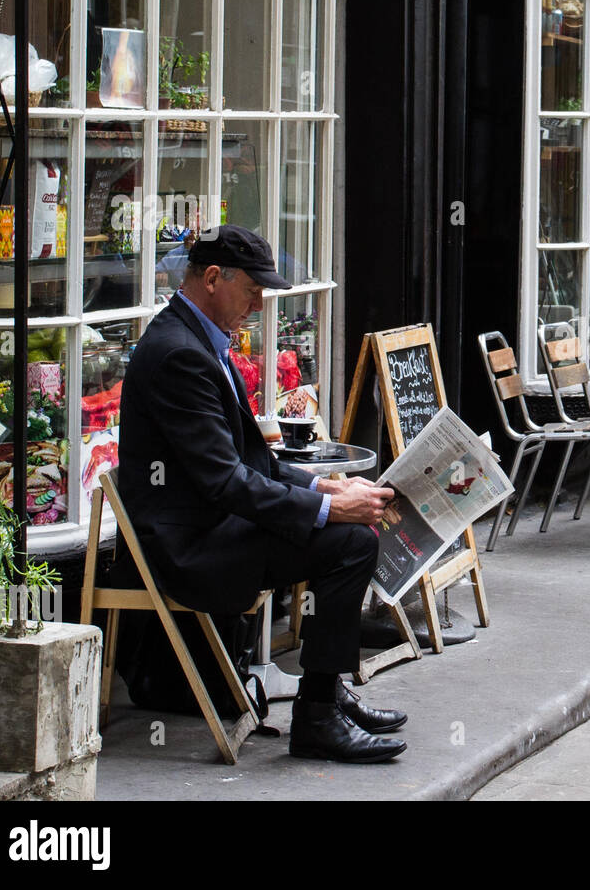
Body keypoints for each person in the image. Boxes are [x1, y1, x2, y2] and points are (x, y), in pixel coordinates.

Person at [118, 225, 408, 764]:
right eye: (252, 289)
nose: (259, 302)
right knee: (352, 543)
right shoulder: (180, 354)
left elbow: (250, 464)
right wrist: (327, 507)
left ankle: (326, 695)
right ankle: (317, 717)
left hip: (213, 524)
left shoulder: (202, 339)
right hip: (190, 547)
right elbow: (225, 481)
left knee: (352, 532)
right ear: (212, 278)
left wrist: (320, 484)